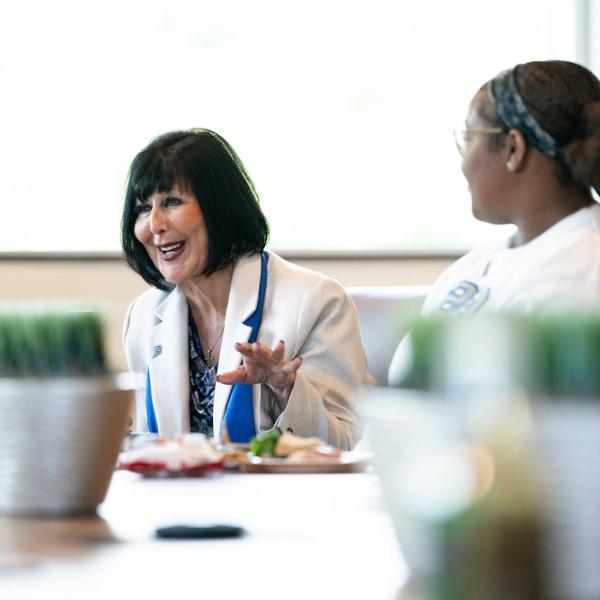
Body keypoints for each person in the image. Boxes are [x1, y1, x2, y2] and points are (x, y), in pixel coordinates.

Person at [121, 129, 368, 449]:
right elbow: (159, 449)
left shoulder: (317, 302)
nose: (155, 224)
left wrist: (286, 388)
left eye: (171, 202)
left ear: (219, 207)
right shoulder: (142, 317)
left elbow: (349, 445)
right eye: (142, 208)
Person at [390, 60, 600, 385]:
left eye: (469, 137)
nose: (464, 162)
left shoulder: (580, 278)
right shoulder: (476, 265)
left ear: (514, 148)